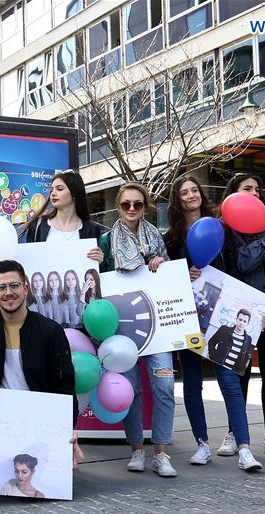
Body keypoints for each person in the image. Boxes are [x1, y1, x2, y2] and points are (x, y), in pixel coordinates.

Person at [163, 174, 263, 471]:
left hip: (223, 315)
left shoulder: (222, 228)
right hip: (187, 317)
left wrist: (256, 309)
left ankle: (244, 449)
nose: (191, 195)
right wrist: (182, 274)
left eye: (194, 190)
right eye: (184, 192)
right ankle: (202, 445)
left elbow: (237, 270)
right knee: (192, 384)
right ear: (177, 199)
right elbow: (164, 278)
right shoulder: (170, 239)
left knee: (230, 382)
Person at [0, 260, 84, 467]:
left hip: (38, 414)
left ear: (25, 288)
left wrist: (66, 431)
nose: (8, 293)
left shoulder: (50, 331)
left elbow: (64, 386)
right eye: (1, 288)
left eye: (14, 285)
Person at [99, 183, 178, 477]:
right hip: (123, 326)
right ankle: (136, 449)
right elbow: (100, 284)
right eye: (126, 204)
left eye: (138, 204)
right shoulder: (106, 242)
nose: (132, 209)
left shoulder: (157, 238)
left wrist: (161, 263)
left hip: (157, 326)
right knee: (130, 389)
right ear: (118, 207)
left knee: (165, 385)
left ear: (146, 206)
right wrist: (97, 263)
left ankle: (161, 452)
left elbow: (169, 281)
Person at [221, 172, 265, 459]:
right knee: (239, 373)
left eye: (257, 189)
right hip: (244, 308)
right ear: (233, 194)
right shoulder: (227, 230)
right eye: (246, 188)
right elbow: (241, 262)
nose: (254, 194)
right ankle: (234, 433)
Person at [19, 171, 105, 264]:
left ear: (74, 193)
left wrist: (99, 260)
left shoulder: (92, 229)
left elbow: (94, 268)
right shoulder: (38, 226)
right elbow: (30, 262)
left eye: (59, 189)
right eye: (51, 190)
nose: (53, 193)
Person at [207, 309, 255, 374]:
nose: (241, 323)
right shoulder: (224, 330)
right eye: (240, 319)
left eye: (244, 321)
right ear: (236, 319)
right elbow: (211, 342)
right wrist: (213, 356)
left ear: (247, 323)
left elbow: (246, 358)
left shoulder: (248, 339)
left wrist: (240, 370)